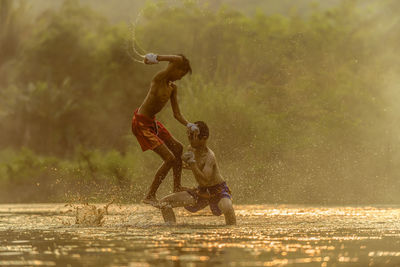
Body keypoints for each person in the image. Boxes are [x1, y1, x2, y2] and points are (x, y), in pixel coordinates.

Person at [131, 53, 199, 205]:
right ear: (175, 68)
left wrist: (189, 124)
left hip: (152, 123)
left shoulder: (172, 88)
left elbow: (177, 114)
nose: (181, 77)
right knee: (169, 159)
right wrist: (157, 57)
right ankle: (150, 195)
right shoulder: (160, 78)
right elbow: (178, 59)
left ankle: (176, 186)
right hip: (141, 123)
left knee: (178, 148)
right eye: (181, 73)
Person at [156, 121, 236, 225]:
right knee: (164, 203)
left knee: (227, 207)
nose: (190, 138)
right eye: (189, 135)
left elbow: (204, 181)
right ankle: (171, 227)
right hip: (201, 191)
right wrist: (177, 163)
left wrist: (192, 163)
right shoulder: (191, 149)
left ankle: (232, 230)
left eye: (193, 136)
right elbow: (197, 175)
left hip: (218, 190)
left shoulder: (209, 156)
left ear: (204, 138)